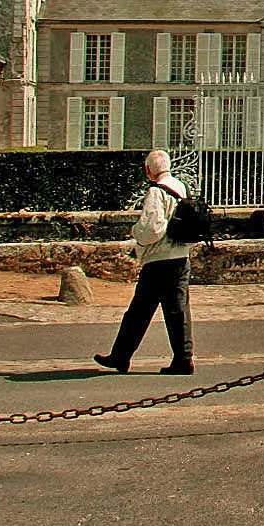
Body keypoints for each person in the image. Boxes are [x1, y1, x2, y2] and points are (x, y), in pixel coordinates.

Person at [94, 150, 195, 375]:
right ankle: (184, 358)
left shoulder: (155, 191)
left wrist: (136, 233)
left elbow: (153, 229)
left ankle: (120, 356)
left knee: (138, 311)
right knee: (178, 311)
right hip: (181, 256)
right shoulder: (180, 186)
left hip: (159, 260)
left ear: (149, 170)